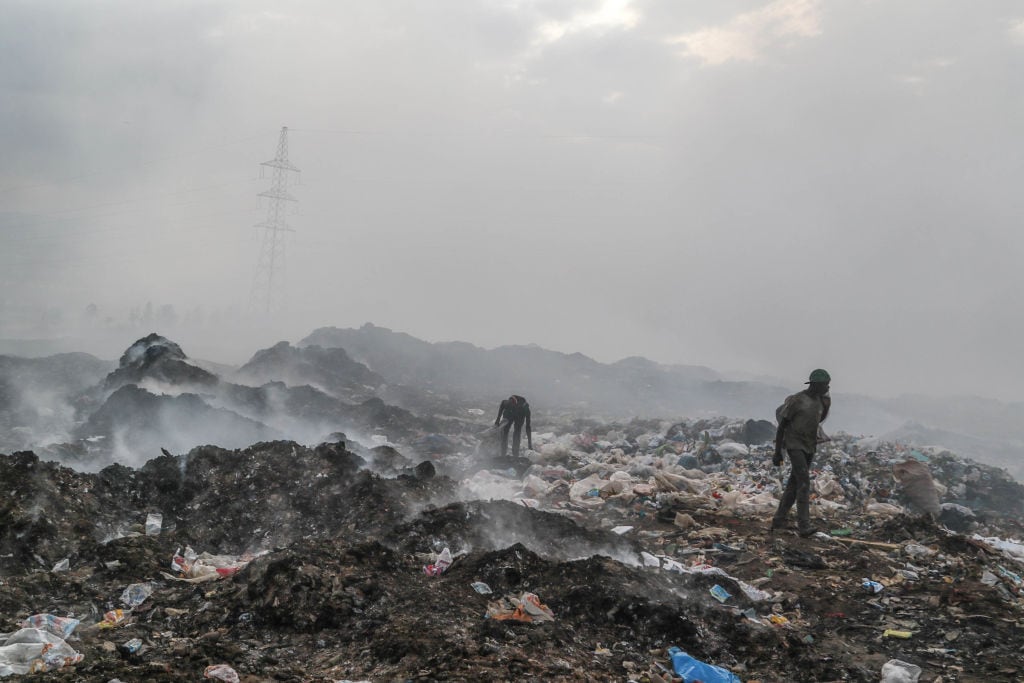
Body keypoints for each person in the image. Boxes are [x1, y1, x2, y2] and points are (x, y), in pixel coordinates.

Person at [771, 369, 832, 537]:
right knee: (804, 482)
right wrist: (778, 452)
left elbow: (817, 422)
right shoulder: (797, 400)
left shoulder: (821, 401)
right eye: (825, 385)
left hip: (809, 445)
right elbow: (782, 426)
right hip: (794, 444)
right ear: (816, 385)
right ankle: (804, 525)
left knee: (794, 483)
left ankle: (779, 519)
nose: (827, 388)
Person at [494, 395, 532, 459]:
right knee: (504, 431)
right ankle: (503, 453)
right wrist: (497, 419)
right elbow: (502, 404)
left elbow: (528, 426)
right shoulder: (508, 404)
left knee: (517, 433)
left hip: (520, 415)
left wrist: (529, 443)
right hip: (509, 413)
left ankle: (515, 455)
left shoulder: (525, 408)